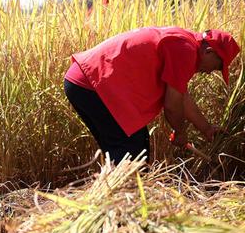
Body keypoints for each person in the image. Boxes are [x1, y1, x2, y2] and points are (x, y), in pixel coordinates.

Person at [64, 27, 240, 164]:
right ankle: (122, 204)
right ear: (209, 51)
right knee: (133, 151)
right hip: (92, 85)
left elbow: (181, 97)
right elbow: (172, 106)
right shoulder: (186, 50)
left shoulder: (183, 42)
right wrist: (180, 132)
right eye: (217, 66)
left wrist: (207, 129)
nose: (210, 72)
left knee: (129, 149)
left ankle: (115, 202)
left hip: (83, 82)